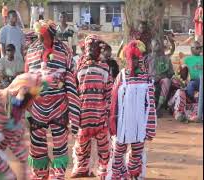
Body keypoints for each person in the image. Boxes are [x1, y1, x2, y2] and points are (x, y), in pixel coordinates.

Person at [25, 20, 80, 179]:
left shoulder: (65, 51)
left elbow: (71, 83)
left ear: (50, 34)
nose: (39, 38)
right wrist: (24, 107)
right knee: (37, 147)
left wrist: (75, 117)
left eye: (41, 35)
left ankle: (58, 176)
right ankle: (40, 175)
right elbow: (27, 79)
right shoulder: (31, 50)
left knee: (60, 146)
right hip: (36, 109)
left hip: (59, 108)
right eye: (37, 35)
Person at [109, 40, 157, 179]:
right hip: (122, 125)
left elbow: (150, 105)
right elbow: (114, 102)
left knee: (137, 154)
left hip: (139, 125)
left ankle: (134, 175)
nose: (134, 61)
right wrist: (113, 123)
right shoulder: (122, 76)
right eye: (132, 58)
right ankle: (118, 176)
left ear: (141, 58)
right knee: (118, 152)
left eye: (137, 58)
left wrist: (150, 127)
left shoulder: (146, 78)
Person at [71, 35, 112, 179]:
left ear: (98, 50)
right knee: (82, 144)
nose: (90, 50)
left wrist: (107, 113)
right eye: (88, 47)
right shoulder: (79, 67)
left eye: (93, 47)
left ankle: (103, 170)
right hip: (83, 114)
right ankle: (82, 168)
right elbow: (75, 91)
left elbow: (109, 94)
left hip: (99, 115)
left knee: (103, 145)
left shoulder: (105, 68)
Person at [144, 39, 174, 114]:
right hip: (149, 80)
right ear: (151, 46)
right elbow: (142, 72)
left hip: (161, 80)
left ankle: (158, 108)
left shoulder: (166, 59)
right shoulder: (146, 59)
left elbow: (171, 73)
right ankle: (150, 108)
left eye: (159, 44)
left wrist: (161, 76)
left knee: (167, 81)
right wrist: (151, 78)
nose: (158, 46)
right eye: (156, 44)